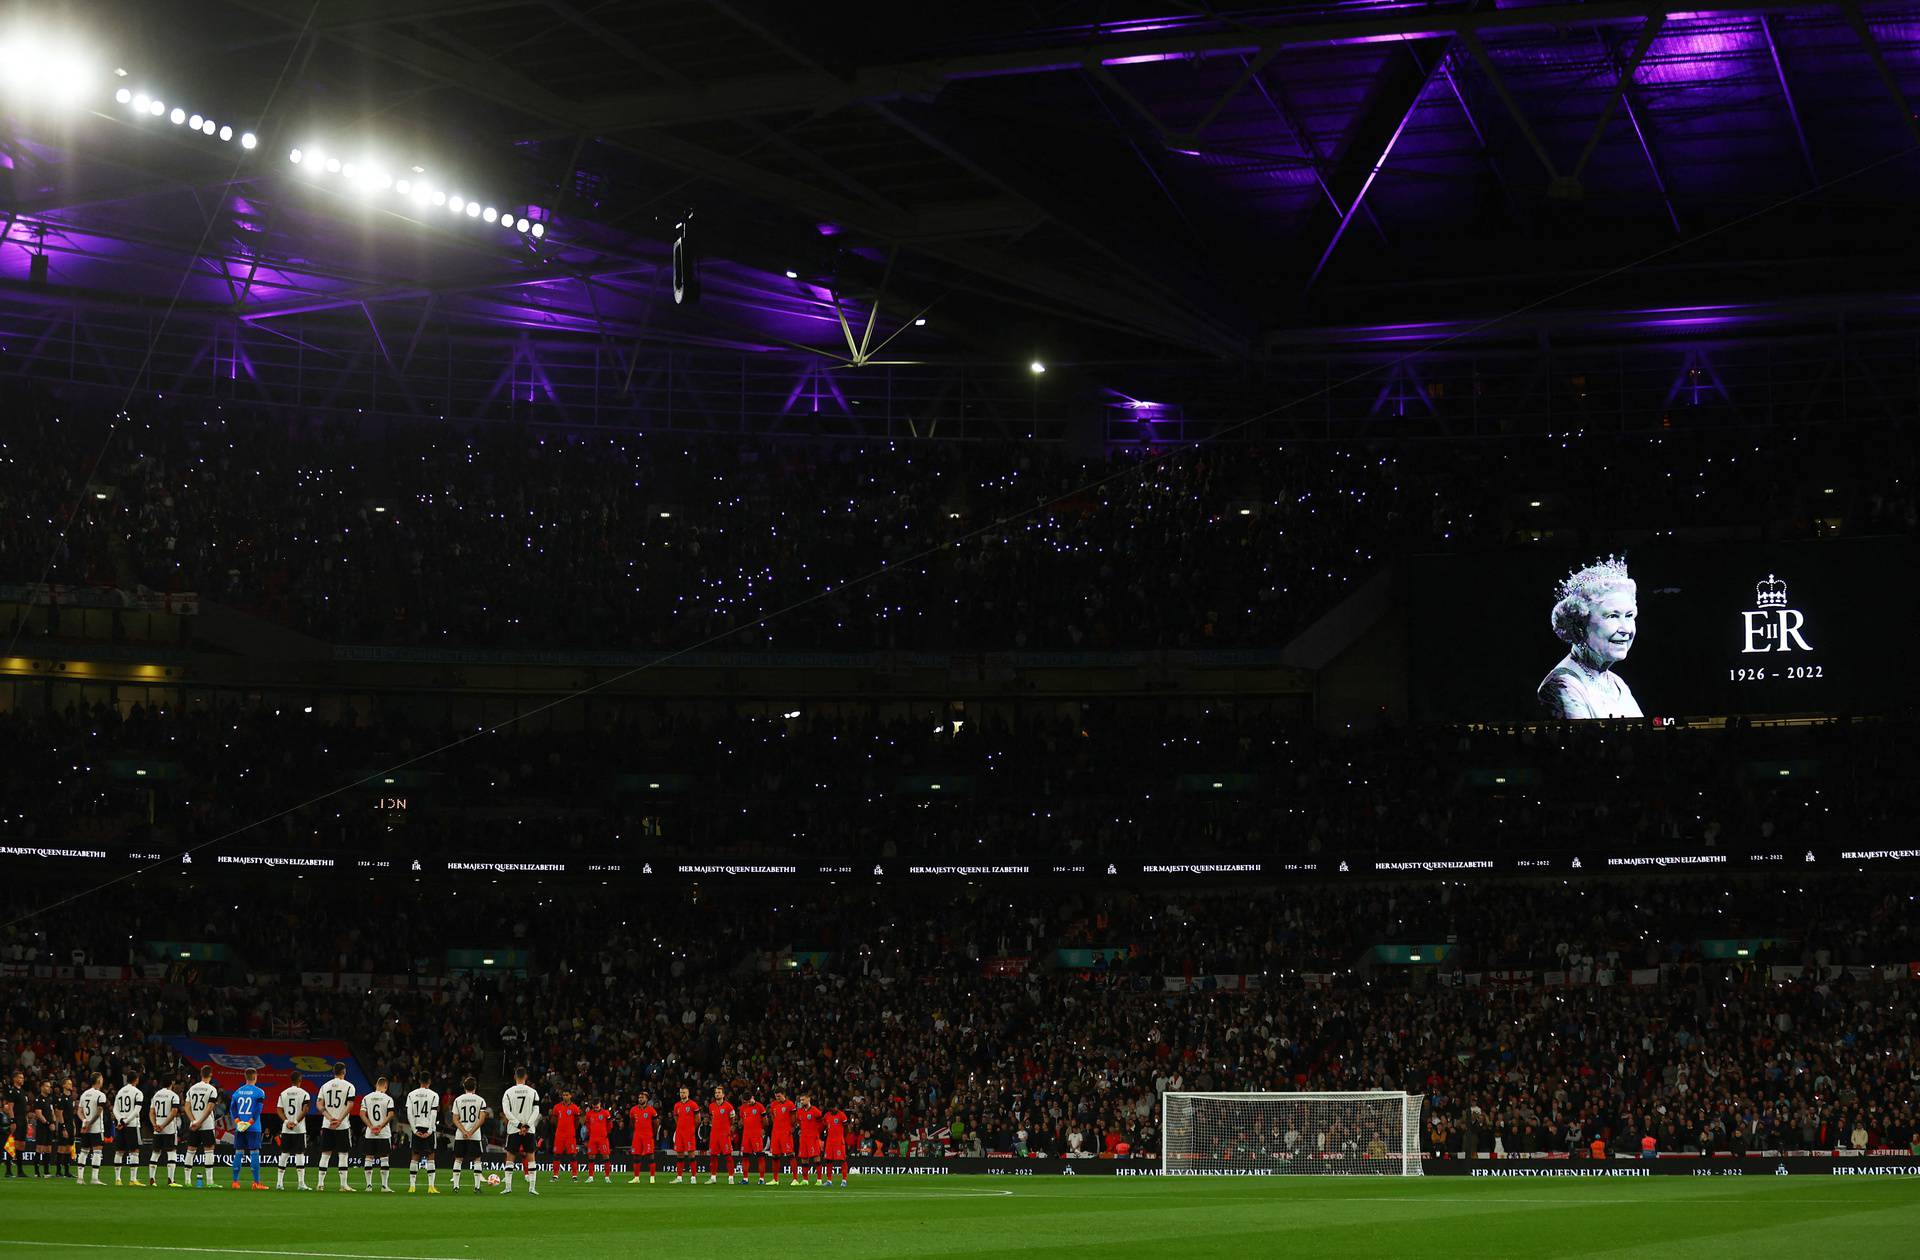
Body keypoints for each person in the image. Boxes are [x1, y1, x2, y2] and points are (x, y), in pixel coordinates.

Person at [1538, 555, 1642, 719]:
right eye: (1612, 616)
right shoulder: (1562, 686)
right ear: (1580, 625)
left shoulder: (1617, 683)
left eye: (1629, 616)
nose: (1626, 629)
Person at [315, 1062, 357, 1192]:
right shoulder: (349, 1086)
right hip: (342, 1125)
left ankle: (320, 1184)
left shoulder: (324, 1086)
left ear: (333, 1072)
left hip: (328, 1124)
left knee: (325, 1154)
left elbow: (319, 1105)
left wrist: (329, 1118)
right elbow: (350, 1105)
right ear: (344, 1072)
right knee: (343, 1154)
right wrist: (339, 1119)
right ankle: (343, 1185)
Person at [499, 1068, 541, 1195]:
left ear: (514, 1077)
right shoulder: (533, 1092)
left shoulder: (508, 1092)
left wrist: (518, 1125)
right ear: (526, 1077)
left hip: (513, 1129)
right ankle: (532, 1188)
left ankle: (508, 1187)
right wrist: (527, 1126)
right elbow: (536, 1111)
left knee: (510, 1157)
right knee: (531, 1157)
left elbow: (506, 1112)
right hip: (529, 1130)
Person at [229, 1068, 269, 1190]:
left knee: (238, 1152)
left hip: (240, 1127)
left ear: (245, 1077)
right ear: (255, 1076)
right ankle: (256, 1183)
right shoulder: (259, 1092)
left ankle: (235, 1182)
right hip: (254, 1127)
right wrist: (250, 1122)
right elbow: (258, 1109)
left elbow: (232, 1109)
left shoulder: (237, 1092)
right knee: (254, 1152)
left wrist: (238, 1122)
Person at [449, 1077, 488, 1195]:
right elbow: (482, 1119)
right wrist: (471, 1132)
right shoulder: (480, 1100)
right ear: (475, 1087)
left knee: (458, 1159)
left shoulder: (458, 1100)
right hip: (475, 1135)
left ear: (464, 1087)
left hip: (461, 1134)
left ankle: (456, 1186)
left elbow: (455, 1119)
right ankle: (477, 1187)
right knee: (477, 1160)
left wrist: (464, 1131)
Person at [184, 1066, 221, 1188]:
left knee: (190, 1150)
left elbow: (186, 1107)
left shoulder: (192, 1089)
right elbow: (210, 1107)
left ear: (201, 1074)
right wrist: (200, 1122)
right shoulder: (211, 1089)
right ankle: (210, 1181)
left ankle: (187, 1181)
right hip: (206, 1124)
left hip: (194, 1125)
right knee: (209, 1150)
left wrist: (193, 1121)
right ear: (210, 1075)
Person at [405, 1072, 441, 1194]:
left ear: (419, 1081)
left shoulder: (411, 1094)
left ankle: (412, 1186)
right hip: (428, 1127)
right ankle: (431, 1187)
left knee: (415, 1156)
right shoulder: (434, 1095)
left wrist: (414, 1130)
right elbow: (433, 1113)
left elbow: (409, 1113)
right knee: (431, 1156)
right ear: (429, 1081)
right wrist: (430, 1130)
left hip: (417, 1127)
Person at [360, 1076, 397, 1193]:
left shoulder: (367, 1098)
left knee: (369, 1158)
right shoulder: (388, 1099)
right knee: (384, 1158)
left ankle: (368, 1186)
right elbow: (391, 1114)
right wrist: (380, 1126)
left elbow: (362, 1114)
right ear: (385, 1087)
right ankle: (384, 1186)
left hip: (370, 1133)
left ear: (376, 1085)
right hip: (383, 1133)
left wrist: (371, 1126)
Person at [275, 1075, 312, 1190]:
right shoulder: (304, 1093)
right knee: (299, 1154)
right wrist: (295, 1122)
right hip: (299, 1129)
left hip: (286, 1129)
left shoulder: (283, 1093)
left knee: (284, 1154)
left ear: (291, 1080)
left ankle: (279, 1183)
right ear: (300, 1080)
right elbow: (305, 1109)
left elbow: (279, 1110)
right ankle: (301, 1183)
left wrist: (287, 1121)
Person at [112, 1070, 147, 1186]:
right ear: (136, 1079)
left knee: (119, 1151)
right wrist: (126, 1121)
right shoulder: (138, 1092)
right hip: (131, 1125)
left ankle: (118, 1179)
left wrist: (120, 1120)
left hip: (120, 1125)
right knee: (134, 1151)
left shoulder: (120, 1092)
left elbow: (115, 1109)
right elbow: (137, 1110)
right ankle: (133, 1179)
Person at [147, 1076, 183, 1187]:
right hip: (168, 1129)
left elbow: (151, 1112)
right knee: (171, 1152)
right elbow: (174, 1112)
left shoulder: (156, 1095)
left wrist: (155, 1125)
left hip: (157, 1128)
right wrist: (163, 1125)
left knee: (155, 1153)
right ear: (171, 1083)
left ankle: (152, 1179)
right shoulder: (173, 1096)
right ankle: (170, 1180)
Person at [78, 1073, 108, 1185]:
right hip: (96, 1128)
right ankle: (94, 1178)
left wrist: (84, 1121)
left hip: (85, 1127)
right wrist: (90, 1123)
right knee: (97, 1152)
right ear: (99, 1080)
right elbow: (99, 1111)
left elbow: (79, 1111)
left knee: (83, 1151)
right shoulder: (101, 1095)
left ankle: (80, 1179)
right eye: (102, 1078)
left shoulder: (84, 1094)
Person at [549, 1089, 581, 1181]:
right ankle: (555, 1175)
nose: (565, 1096)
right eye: (563, 1095)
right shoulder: (557, 1107)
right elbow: (554, 1120)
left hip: (570, 1135)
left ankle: (574, 1176)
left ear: (570, 1096)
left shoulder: (575, 1108)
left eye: (567, 1095)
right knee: (556, 1155)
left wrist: (571, 1129)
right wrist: (560, 1127)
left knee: (573, 1155)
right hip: (559, 1135)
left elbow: (577, 1122)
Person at [670, 1086, 700, 1184]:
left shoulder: (693, 1104)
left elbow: (698, 1120)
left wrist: (691, 1128)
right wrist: (680, 1126)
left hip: (689, 1133)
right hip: (679, 1133)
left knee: (691, 1154)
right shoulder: (677, 1105)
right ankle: (679, 1177)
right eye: (681, 1092)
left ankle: (693, 1177)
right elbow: (676, 1117)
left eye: (684, 1092)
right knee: (679, 1154)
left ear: (688, 1093)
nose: (682, 1094)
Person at [627, 1090, 657, 1185]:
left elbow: (656, 1124)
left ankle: (652, 1177)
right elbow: (631, 1122)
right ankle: (636, 1178)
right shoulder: (633, 1110)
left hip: (648, 1135)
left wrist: (653, 1133)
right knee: (636, 1156)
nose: (640, 1099)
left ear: (647, 1099)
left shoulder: (651, 1110)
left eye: (642, 1097)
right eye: (639, 1097)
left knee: (650, 1156)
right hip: (637, 1136)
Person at [706, 1086, 735, 1184]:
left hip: (724, 1135)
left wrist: (727, 1129)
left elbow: (732, 1119)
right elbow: (711, 1118)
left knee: (728, 1156)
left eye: (719, 1092)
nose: (717, 1094)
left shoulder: (728, 1106)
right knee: (713, 1156)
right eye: (716, 1093)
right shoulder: (711, 1106)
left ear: (723, 1095)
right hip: (714, 1135)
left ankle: (731, 1178)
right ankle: (713, 1177)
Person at [794, 1093, 824, 1187]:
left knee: (816, 1159)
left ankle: (819, 1180)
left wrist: (816, 1133)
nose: (802, 1102)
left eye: (803, 1100)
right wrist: (800, 1130)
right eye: (801, 1100)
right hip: (803, 1138)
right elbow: (799, 1122)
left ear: (808, 1099)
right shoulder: (799, 1112)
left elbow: (821, 1124)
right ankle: (805, 1179)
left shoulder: (816, 1111)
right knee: (804, 1159)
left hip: (813, 1138)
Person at [737, 1091, 767, 1185]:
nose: (748, 1103)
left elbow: (765, 1121)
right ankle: (745, 1179)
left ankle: (761, 1179)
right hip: (746, 1136)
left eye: (750, 1101)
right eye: (746, 1101)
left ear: (753, 1097)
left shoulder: (759, 1106)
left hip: (756, 1135)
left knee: (760, 1157)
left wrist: (762, 1129)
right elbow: (741, 1120)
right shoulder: (742, 1108)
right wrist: (740, 1123)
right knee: (745, 1157)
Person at [767, 1090, 796, 1186]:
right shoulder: (773, 1105)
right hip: (776, 1133)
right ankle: (775, 1179)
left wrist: (792, 1128)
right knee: (775, 1156)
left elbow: (794, 1118)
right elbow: (772, 1116)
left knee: (790, 1155)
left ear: (784, 1095)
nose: (777, 1098)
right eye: (776, 1096)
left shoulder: (790, 1104)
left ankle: (795, 1179)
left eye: (779, 1096)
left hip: (786, 1133)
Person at [584, 1097, 614, 1182]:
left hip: (603, 1138)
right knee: (591, 1157)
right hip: (593, 1138)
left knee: (606, 1156)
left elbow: (610, 1125)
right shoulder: (589, 1114)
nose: (596, 1106)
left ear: (600, 1104)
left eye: (597, 1105)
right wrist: (591, 1133)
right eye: (594, 1105)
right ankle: (590, 1177)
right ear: (592, 1105)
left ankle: (607, 1177)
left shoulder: (605, 1113)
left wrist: (605, 1133)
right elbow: (587, 1125)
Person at [821, 1102, 850, 1188]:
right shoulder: (827, 1115)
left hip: (839, 1142)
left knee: (842, 1160)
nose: (831, 1111)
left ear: (835, 1107)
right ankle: (829, 1181)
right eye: (830, 1110)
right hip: (829, 1142)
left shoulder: (842, 1115)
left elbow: (846, 1129)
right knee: (828, 1160)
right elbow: (824, 1125)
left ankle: (844, 1180)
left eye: (832, 1109)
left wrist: (843, 1138)